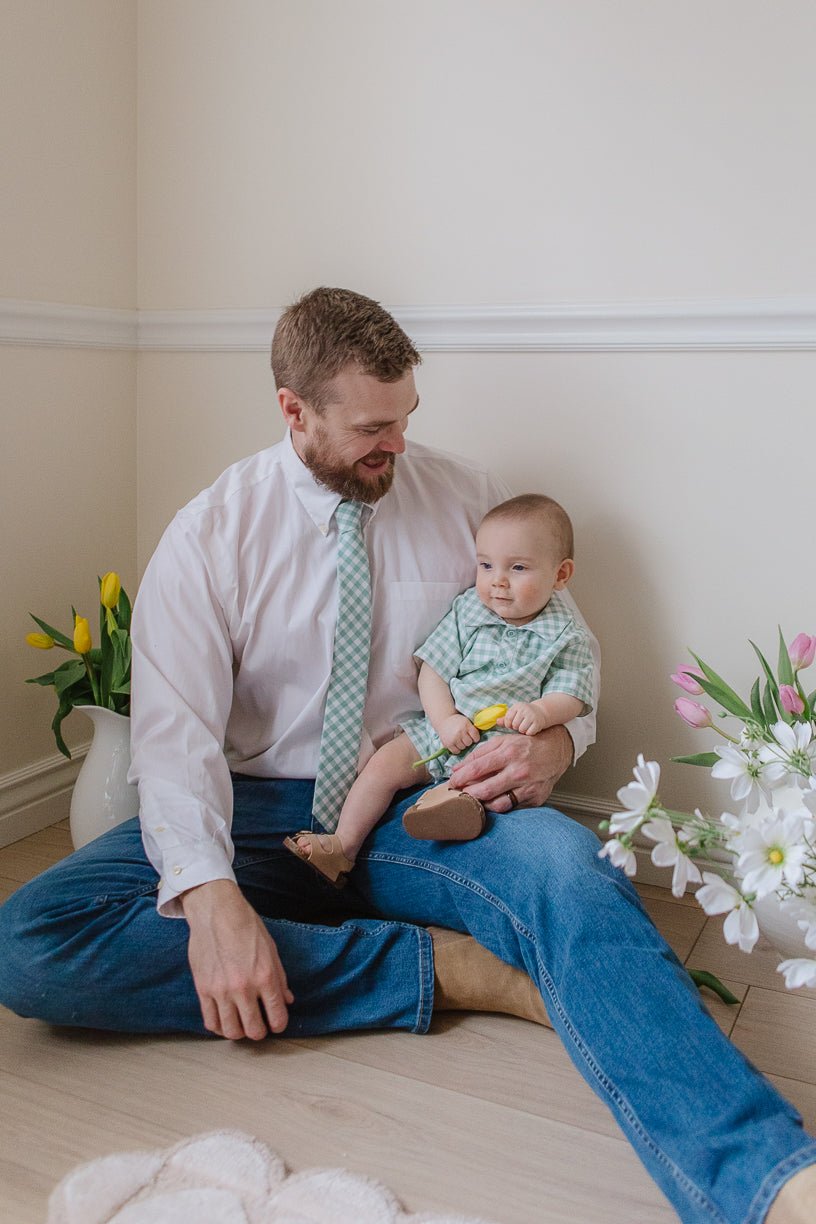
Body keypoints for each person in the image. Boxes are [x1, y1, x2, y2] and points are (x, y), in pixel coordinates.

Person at [0, 287, 814, 1224]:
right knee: (31, 944)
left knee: (569, 873)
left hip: (421, 800)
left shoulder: (466, 496)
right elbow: (175, 739)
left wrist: (558, 738)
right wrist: (212, 898)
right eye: (370, 428)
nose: (396, 445)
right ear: (292, 410)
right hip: (259, 813)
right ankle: (446, 970)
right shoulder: (210, 533)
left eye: (406, 418)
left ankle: (771, 1182)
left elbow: (555, 646)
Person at [284, 493, 595, 884]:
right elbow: (433, 672)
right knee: (383, 765)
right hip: (441, 728)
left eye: (517, 568)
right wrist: (445, 720)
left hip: (498, 745)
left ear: (561, 575)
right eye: (485, 565)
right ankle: (342, 847)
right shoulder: (470, 610)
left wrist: (542, 712)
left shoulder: (566, 635)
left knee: (474, 792)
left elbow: (575, 693)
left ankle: (445, 811)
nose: (497, 580)